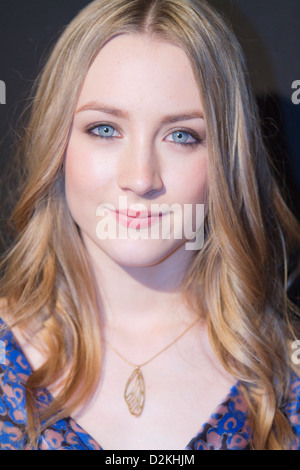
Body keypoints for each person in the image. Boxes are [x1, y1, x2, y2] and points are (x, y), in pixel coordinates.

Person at [0, 0, 300, 451]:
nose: (140, 178)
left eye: (182, 135)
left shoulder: (289, 373)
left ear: (227, 161)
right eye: (104, 129)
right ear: (56, 143)